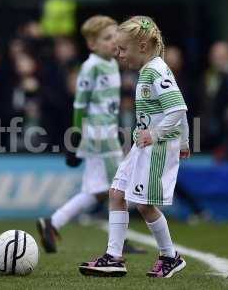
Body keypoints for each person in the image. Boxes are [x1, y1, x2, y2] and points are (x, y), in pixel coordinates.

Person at [79, 16, 189, 278]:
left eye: (122, 49)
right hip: (142, 145)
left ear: (141, 46)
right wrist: (183, 140)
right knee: (116, 192)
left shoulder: (157, 70)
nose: (118, 54)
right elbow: (176, 110)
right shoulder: (147, 70)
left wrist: (158, 134)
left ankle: (170, 256)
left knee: (144, 205)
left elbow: (177, 108)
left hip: (157, 147)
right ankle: (114, 257)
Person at [37, 15, 123, 253]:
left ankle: (53, 222)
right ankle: (119, 245)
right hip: (99, 136)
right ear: (92, 44)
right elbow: (80, 105)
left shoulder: (112, 64)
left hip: (108, 132)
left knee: (97, 192)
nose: (113, 41)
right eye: (107, 38)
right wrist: (75, 138)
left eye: (115, 35)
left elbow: (106, 105)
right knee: (120, 189)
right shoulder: (91, 67)